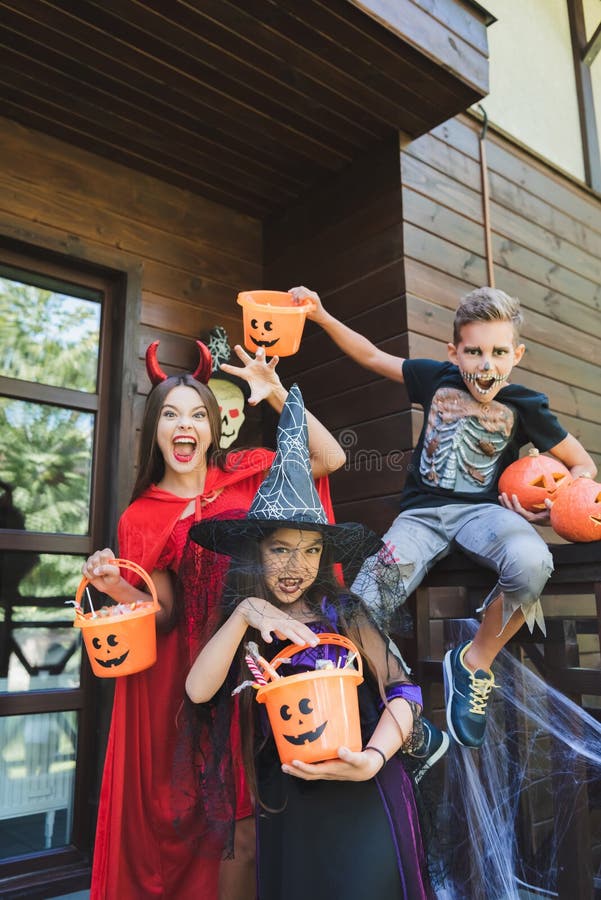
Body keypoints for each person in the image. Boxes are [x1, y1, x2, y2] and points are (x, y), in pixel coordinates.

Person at [82, 339, 346, 900]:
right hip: (202, 674)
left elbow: (329, 459)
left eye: (197, 414)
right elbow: (162, 614)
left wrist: (276, 392)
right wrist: (113, 586)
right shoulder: (139, 515)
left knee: (259, 827)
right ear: (155, 429)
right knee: (216, 827)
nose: (185, 425)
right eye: (171, 414)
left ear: (213, 427)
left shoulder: (248, 474)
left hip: (267, 668)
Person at [291, 285, 597, 749]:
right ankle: (403, 695)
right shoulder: (435, 379)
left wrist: (549, 506)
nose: (485, 364)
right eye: (473, 352)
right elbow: (374, 357)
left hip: (487, 514)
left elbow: (582, 465)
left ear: (516, 355)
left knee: (533, 563)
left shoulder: (526, 406)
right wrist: (322, 315)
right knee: (360, 603)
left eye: (497, 352)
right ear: (454, 352)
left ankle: (473, 663)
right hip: (421, 518)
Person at [186, 384, 434, 900]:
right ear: (256, 551)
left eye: (311, 551)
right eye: (280, 549)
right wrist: (242, 619)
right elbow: (197, 692)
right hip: (288, 795)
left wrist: (374, 757)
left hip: (365, 783)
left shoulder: (343, 611)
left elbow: (403, 692)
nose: (296, 567)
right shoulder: (246, 623)